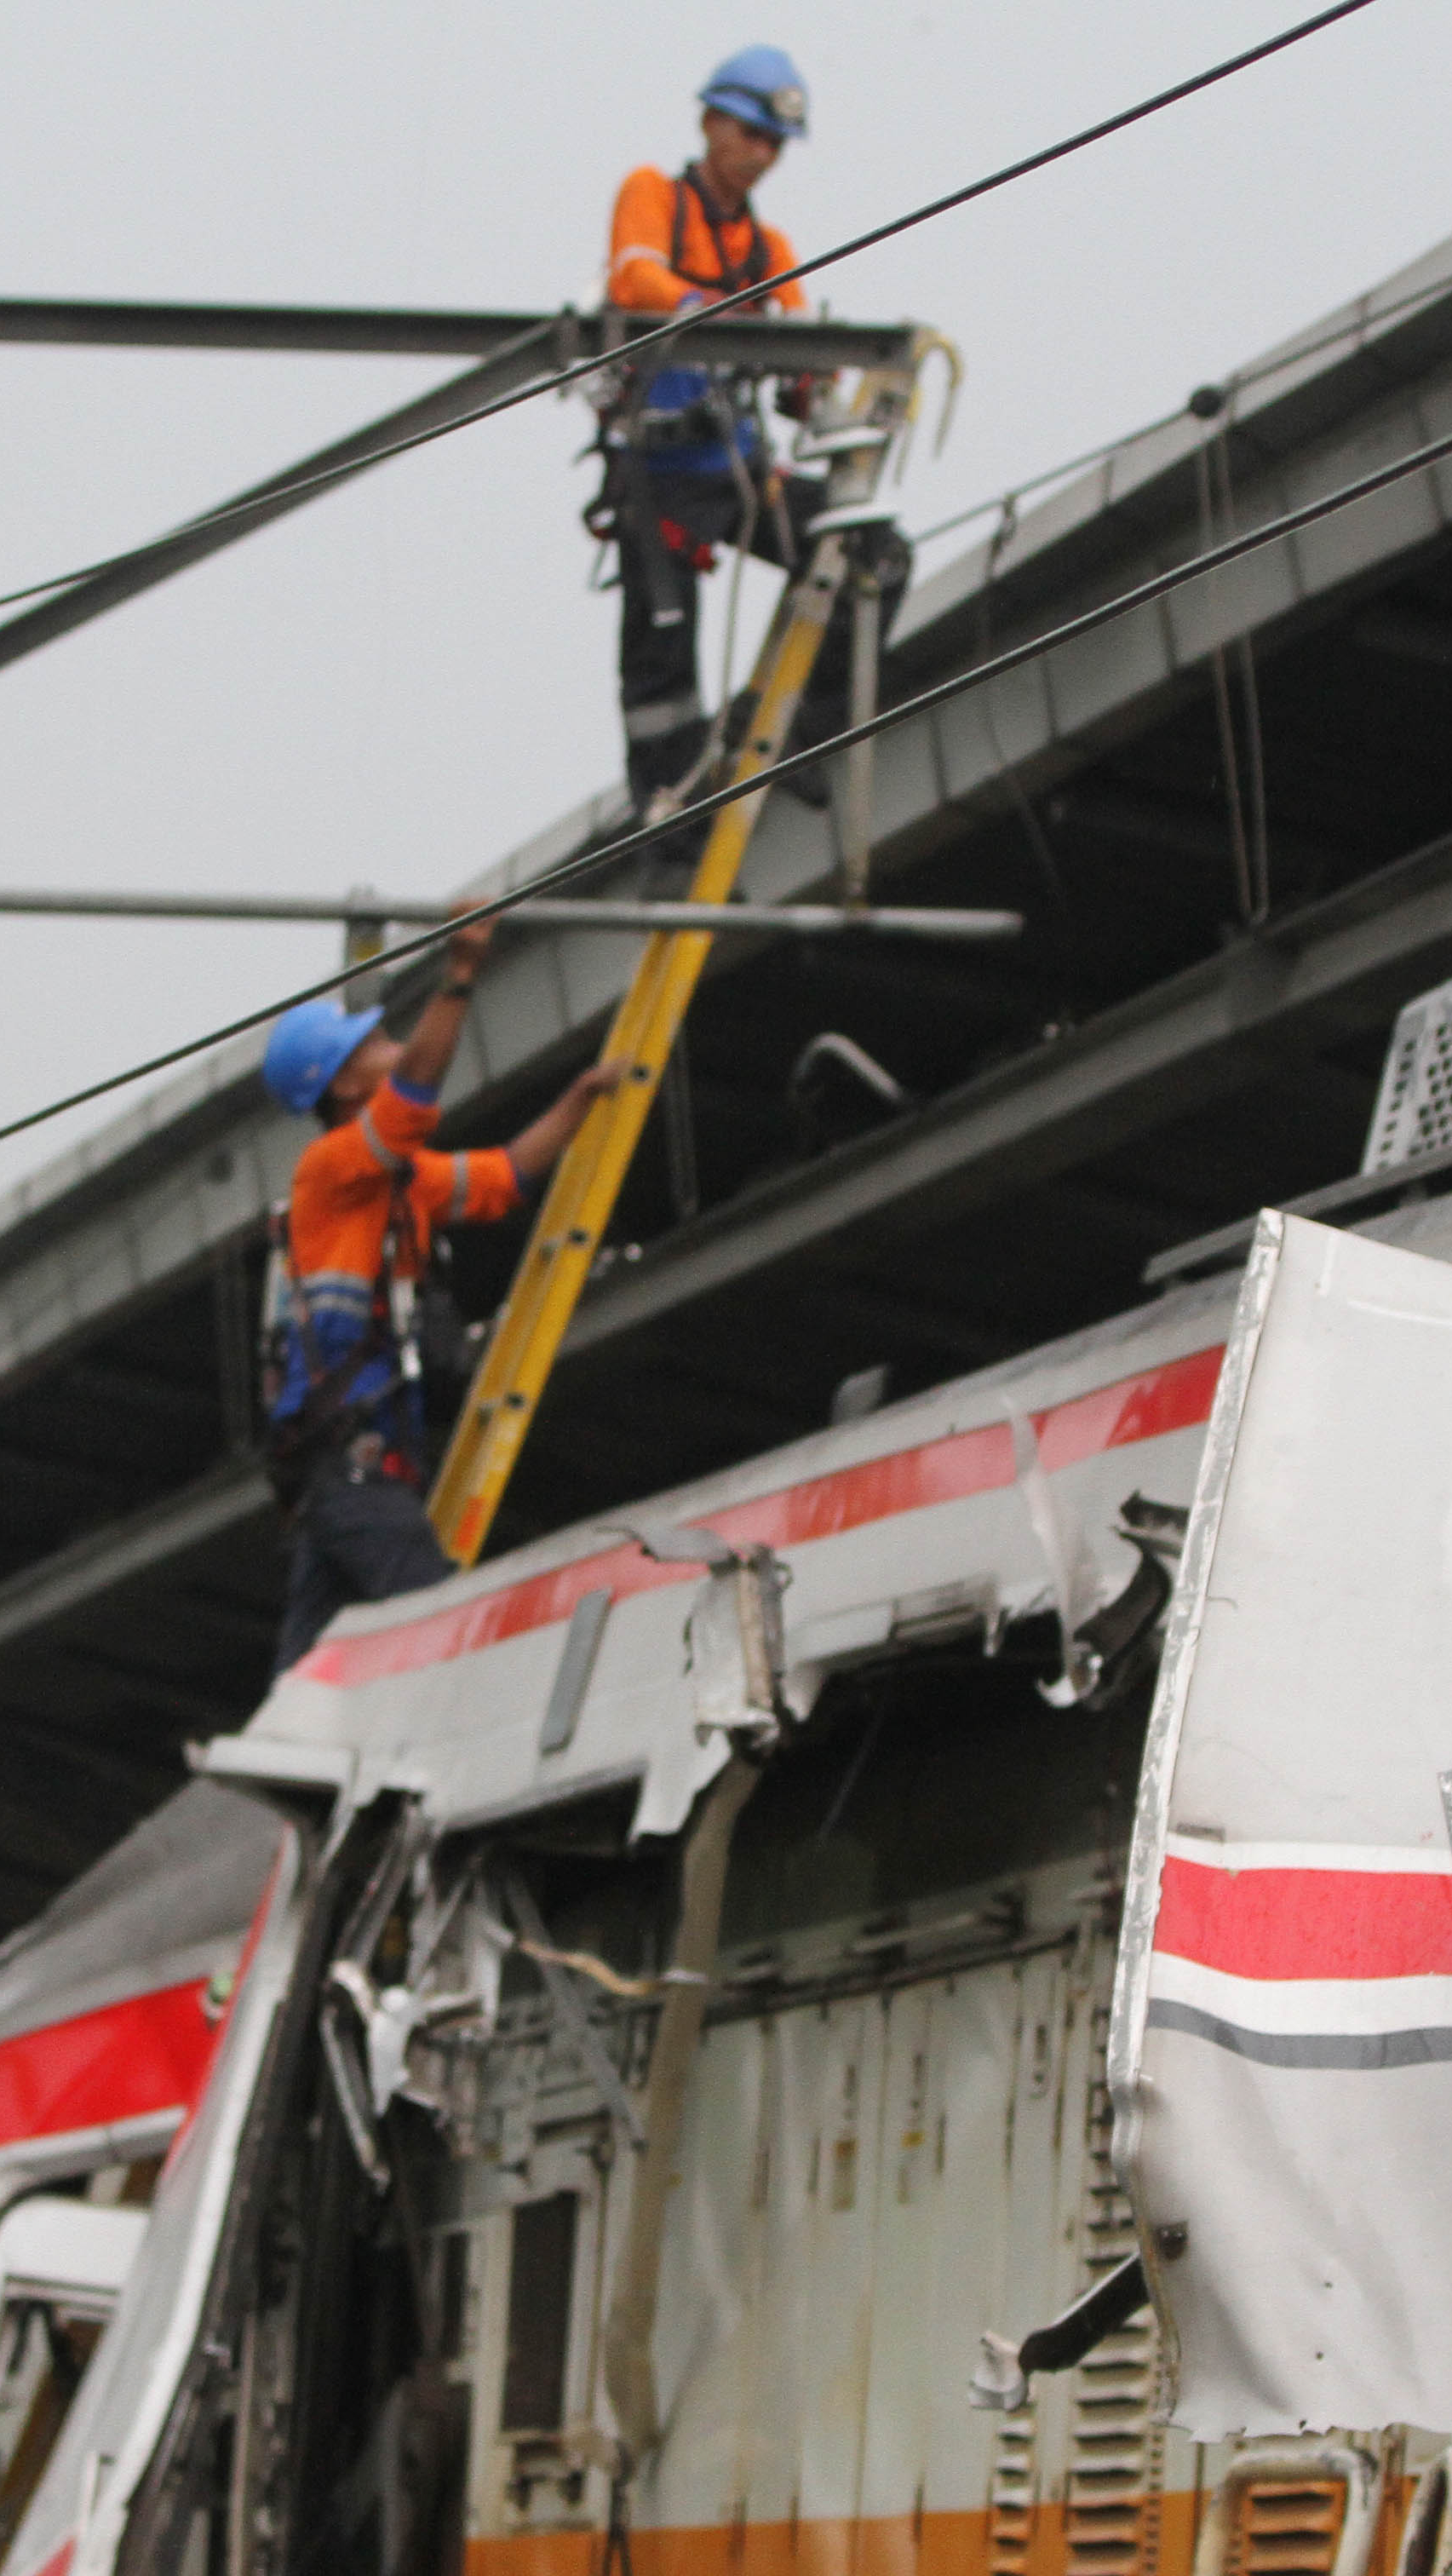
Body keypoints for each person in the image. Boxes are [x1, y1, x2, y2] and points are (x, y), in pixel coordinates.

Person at [258, 921, 631, 1665]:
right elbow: (413, 1099)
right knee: (440, 1624)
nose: (392, 1047)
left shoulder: (396, 1184)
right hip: (353, 1467)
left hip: (355, 1470)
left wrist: (579, 1099)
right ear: (344, 1086)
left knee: (308, 1670)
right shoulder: (331, 1170)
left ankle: (261, 1765)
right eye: (373, 1047)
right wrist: (458, 975)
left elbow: (503, 1179)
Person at [597, 44, 904, 808]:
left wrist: (813, 384)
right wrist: (721, 315)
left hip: (739, 476)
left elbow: (805, 351)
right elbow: (635, 275)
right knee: (662, 676)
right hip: (659, 481)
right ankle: (670, 834)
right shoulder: (654, 198)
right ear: (712, 123)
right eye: (752, 136)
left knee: (872, 556)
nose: (762, 156)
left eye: (773, 144)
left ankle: (787, 730)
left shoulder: (770, 252)